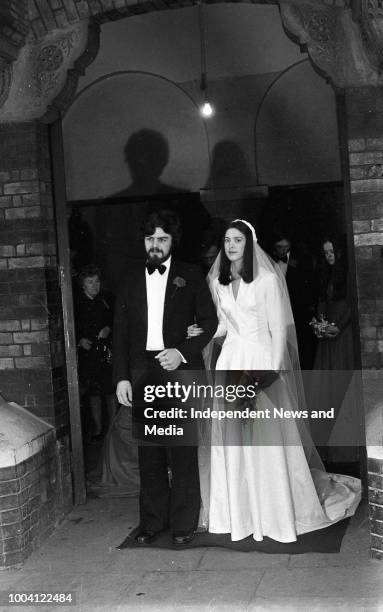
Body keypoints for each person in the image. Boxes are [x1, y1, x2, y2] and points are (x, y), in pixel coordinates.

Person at [193, 219, 361, 543]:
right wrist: (197, 333)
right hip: (230, 361)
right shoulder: (218, 281)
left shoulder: (268, 279)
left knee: (264, 441)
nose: (230, 246)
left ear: (249, 244)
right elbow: (223, 327)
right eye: (227, 240)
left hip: (258, 361)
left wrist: (268, 373)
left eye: (237, 240)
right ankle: (236, 516)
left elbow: (277, 330)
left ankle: (273, 514)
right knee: (232, 441)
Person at [113, 209, 217, 546]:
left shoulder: (190, 274)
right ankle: (152, 522)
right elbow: (121, 334)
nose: (155, 245)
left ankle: (183, 523)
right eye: (150, 238)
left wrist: (182, 351)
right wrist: (122, 378)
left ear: (173, 241)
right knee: (151, 451)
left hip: (180, 370)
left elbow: (209, 323)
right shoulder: (129, 278)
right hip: (143, 371)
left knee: (182, 449)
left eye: (162, 238)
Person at [309, 237, 359, 466]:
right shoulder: (324, 273)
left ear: (339, 252)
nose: (328, 256)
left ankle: (346, 453)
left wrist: (337, 326)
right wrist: (319, 323)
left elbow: (352, 304)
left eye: (331, 252)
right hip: (328, 337)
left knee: (342, 385)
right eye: (325, 252)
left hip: (342, 335)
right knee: (326, 388)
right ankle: (330, 453)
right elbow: (321, 301)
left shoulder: (349, 274)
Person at [75, 265, 116, 442]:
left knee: (110, 390)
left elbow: (116, 321)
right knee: (93, 392)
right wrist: (79, 340)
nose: (94, 285)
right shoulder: (76, 304)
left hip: (105, 352)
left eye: (97, 281)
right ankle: (98, 428)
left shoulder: (106, 300)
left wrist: (108, 328)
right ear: (83, 285)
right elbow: (70, 327)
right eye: (90, 282)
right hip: (88, 354)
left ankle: (114, 427)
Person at [270, 227, 317, 370]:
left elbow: (308, 289)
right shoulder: (269, 261)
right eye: (279, 247)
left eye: (286, 247)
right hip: (277, 314)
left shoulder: (302, 260)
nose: (283, 251)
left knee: (301, 350)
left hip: (298, 313)